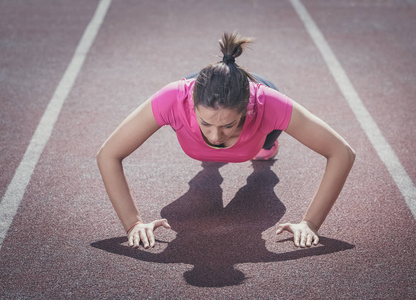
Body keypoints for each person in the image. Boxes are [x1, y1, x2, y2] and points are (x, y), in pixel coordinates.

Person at [97, 32, 355, 250]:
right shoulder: (172, 99)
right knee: (205, 158)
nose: (215, 137)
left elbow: (342, 153)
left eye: (228, 125)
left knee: (263, 155)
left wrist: (310, 224)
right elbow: (108, 154)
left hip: (260, 126)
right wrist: (133, 223)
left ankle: (265, 145)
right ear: (191, 106)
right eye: (206, 124)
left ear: (246, 111)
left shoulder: (270, 105)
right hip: (204, 95)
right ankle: (213, 143)